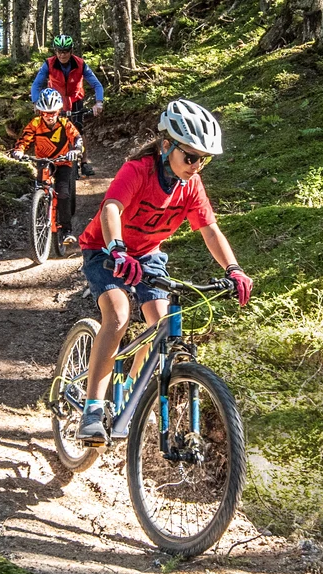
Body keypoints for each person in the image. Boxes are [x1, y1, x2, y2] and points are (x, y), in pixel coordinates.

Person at [75, 99, 253, 444]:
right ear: (167, 145)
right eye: (190, 157)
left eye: (204, 159)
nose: (196, 166)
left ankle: (130, 390)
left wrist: (233, 268)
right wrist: (116, 248)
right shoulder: (138, 171)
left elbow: (210, 230)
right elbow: (111, 208)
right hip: (105, 249)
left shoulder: (191, 185)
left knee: (161, 326)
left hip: (147, 254)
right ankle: (93, 407)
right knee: (118, 315)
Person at [9, 89, 85, 249]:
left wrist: (76, 150)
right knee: (40, 189)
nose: (49, 116)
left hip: (63, 162)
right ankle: (40, 215)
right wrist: (19, 150)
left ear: (58, 111)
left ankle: (66, 230)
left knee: (63, 193)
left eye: (53, 112)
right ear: (40, 112)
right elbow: (24, 139)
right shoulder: (35, 124)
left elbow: (77, 138)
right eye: (45, 113)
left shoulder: (65, 123)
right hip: (43, 162)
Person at [30, 35, 105, 177]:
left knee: (78, 130)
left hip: (75, 99)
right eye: (59, 51)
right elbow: (36, 84)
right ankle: (54, 161)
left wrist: (99, 102)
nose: (62, 54)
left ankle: (84, 162)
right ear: (55, 51)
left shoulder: (80, 64)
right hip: (56, 101)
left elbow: (96, 84)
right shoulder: (49, 64)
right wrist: (36, 102)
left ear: (71, 51)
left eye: (65, 51)